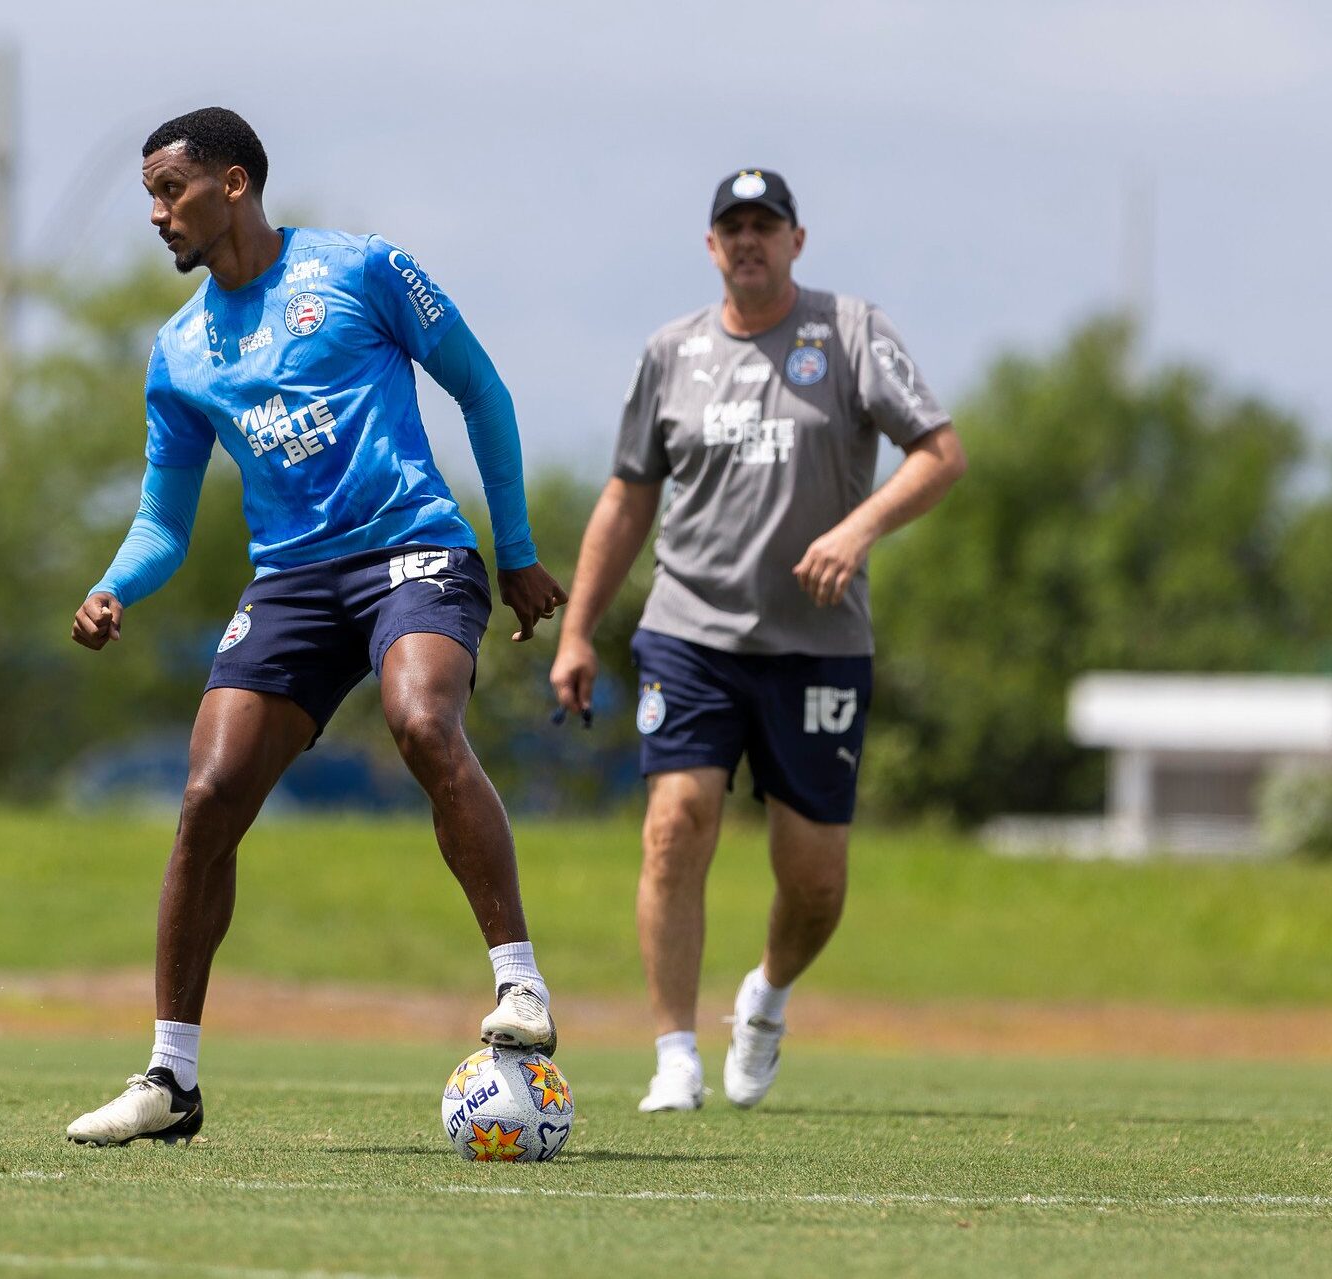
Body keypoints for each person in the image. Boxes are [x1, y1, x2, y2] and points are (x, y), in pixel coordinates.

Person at [65, 108, 568, 1145]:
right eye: (151, 198)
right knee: (207, 794)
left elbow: (482, 391)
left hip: (410, 551)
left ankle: (520, 985)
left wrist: (513, 548)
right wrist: (117, 584)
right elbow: (163, 518)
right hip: (291, 583)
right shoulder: (180, 351)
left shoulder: (362, 269)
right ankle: (170, 1078)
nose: (157, 216)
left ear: (234, 184)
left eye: (171, 192)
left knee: (422, 721)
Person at [548, 169, 966, 1112]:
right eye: (731, 227)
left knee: (813, 882)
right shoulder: (671, 352)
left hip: (817, 645)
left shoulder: (851, 331)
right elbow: (625, 496)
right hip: (689, 631)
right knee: (673, 825)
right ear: (709, 247)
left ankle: (765, 995)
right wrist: (577, 631)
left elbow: (939, 454)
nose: (748, 241)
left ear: (795, 240)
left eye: (764, 226)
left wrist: (858, 530)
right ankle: (673, 1057)